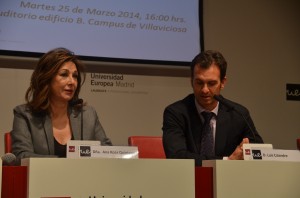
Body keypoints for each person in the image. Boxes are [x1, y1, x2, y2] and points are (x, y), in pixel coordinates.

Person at [162, 50, 263, 166]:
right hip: (188, 179)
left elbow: (259, 152)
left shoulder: (238, 114)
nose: (205, 90)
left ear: (223, 82)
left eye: (211, 83)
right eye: (199, 82)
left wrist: (246, 153)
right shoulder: (176, 113)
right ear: (191, 81)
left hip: (229, 181)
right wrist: (227, 162)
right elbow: (176, 156)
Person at [11, 48, 112, 163]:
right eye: (64, 74)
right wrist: (65, 162)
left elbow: (107, 151)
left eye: (75, 76)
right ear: (46, 78)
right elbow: (22, 156)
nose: (72, 82)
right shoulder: (25, 115)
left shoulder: (88, 114)